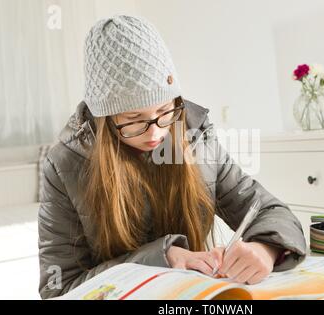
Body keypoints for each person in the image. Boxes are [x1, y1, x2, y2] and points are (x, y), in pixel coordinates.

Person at [38, 15, 306, 299]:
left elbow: (270, 211)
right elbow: (59, 289)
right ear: (105, 117)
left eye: (165, 111)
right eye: (134, 119)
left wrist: (265, 248)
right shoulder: (65, 164)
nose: (156, 132)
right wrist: (163, 259)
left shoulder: (196, 137)